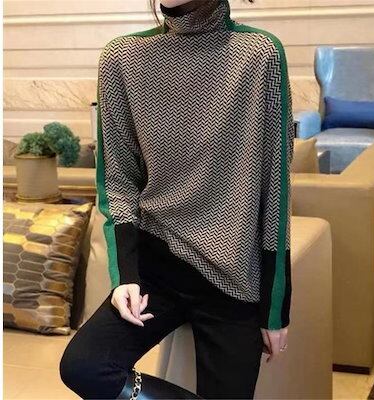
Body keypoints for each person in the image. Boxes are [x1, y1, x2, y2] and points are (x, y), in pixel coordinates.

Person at [59, 0, 295, 398]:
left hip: (235, 283)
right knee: (85, 366)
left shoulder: (260, 54)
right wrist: (125, 277)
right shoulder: (123, 58)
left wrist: (276, 308)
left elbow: (276, 189)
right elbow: (117, 179)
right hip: (157, 269)